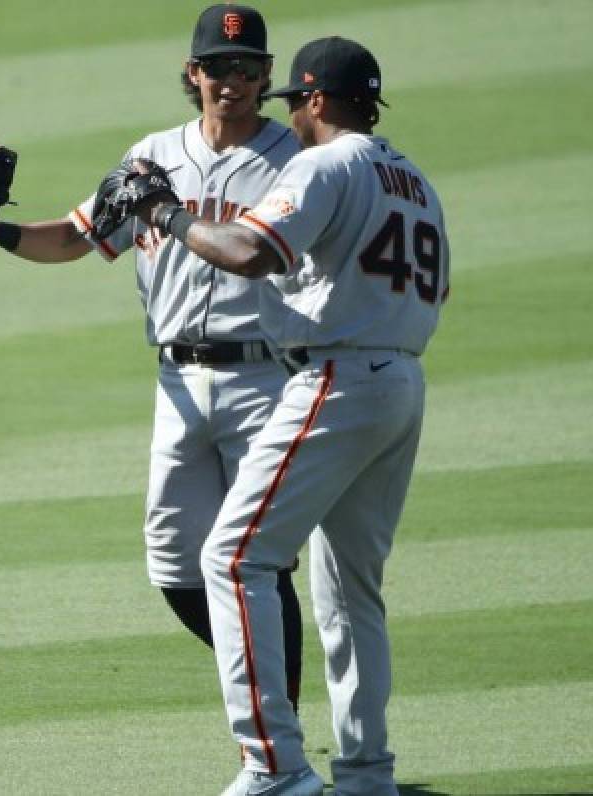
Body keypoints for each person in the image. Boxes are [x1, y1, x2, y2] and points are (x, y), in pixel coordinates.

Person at [0, 4, 307, 708]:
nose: (230, 81)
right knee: (175, 566)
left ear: (267, 75)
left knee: (257, 563)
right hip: (177, 383)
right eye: (216, 67)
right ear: (192, 72)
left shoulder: (296, 162)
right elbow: (76, 237)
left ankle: (278, 733)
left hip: (266, 379)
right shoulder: (155, 156)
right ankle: (263, 687)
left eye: (245, 68)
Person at [124, 36, 451, 796]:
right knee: (349, 588)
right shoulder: (413, 178)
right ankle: (367, 774)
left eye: (292, 104)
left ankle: (275, 767)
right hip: (402, 380)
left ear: (311, 99)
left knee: (233, 558)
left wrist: (167, 216)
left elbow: (247, 250)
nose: (290, 121)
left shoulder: (325, 164)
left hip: (338, 378)